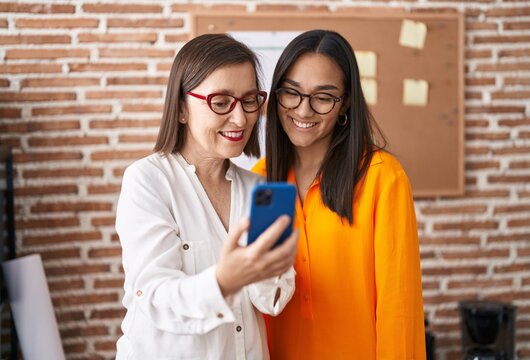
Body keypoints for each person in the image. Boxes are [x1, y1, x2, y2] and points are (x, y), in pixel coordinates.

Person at [115, 33, 298, 360]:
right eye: (221, 101)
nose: (241, 118)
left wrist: (269, 268)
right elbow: (154, 296)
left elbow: (272, 301)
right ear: (182, 108)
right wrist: (223, 282)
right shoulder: (148, 181)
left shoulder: (259, 191)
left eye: (249, 100)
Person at [252, 29, 426, 359]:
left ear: (345, 102)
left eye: (323, 97)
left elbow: (399, 308)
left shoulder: (382, 177)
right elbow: (259, 302)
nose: (303, 111)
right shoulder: (259, 182)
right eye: (292, 93)